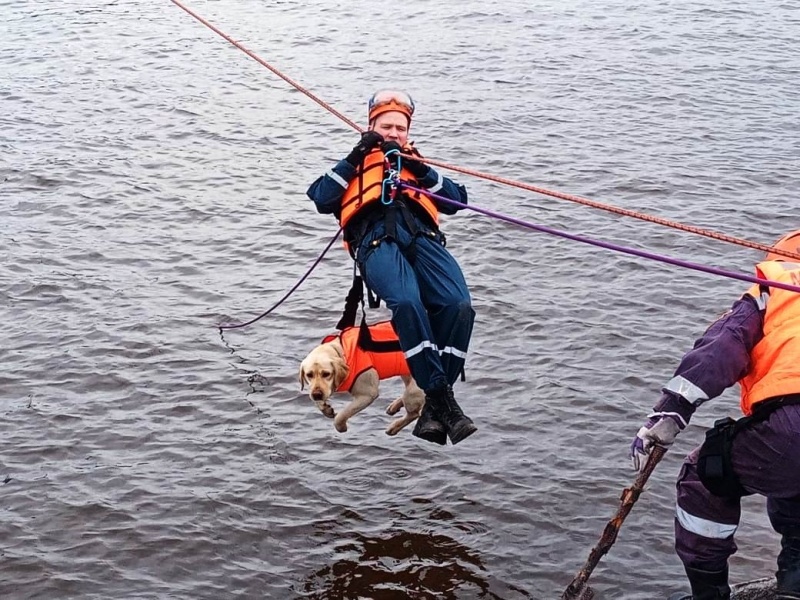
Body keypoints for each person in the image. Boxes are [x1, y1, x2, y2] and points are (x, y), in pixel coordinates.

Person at [629, 229, 800, 600]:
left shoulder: (773, 290)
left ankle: (710, 592)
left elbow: (722, 348)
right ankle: (795, 581)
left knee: (706, 475)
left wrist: (672, 411)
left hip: (794, 424)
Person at [306, 89, 477, 446]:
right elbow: (321, 196)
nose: (394, 133)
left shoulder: (417, 166)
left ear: (409, 132)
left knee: (458, 305)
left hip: (424, 240)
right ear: (371, 127)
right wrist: (357, 153)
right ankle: (443, 400)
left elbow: (457, 201)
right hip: (375, 242)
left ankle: (434, 406)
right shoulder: (355, 163)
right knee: (407, 302)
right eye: (386, 126)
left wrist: (418, 168)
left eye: (401, 127)